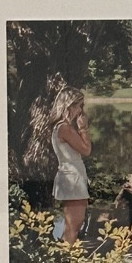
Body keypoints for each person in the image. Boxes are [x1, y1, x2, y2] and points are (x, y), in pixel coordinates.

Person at [49, 87, 93, 243]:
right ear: (70, 106)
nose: (81, 110)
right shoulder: (65, 128)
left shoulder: (59, 127)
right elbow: (86, 150)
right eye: (79, 105)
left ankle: (66, 258)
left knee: (72, 225)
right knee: (73, 226)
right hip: (72, 178)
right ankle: (67, 261)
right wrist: (83, 128)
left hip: (71, 175)